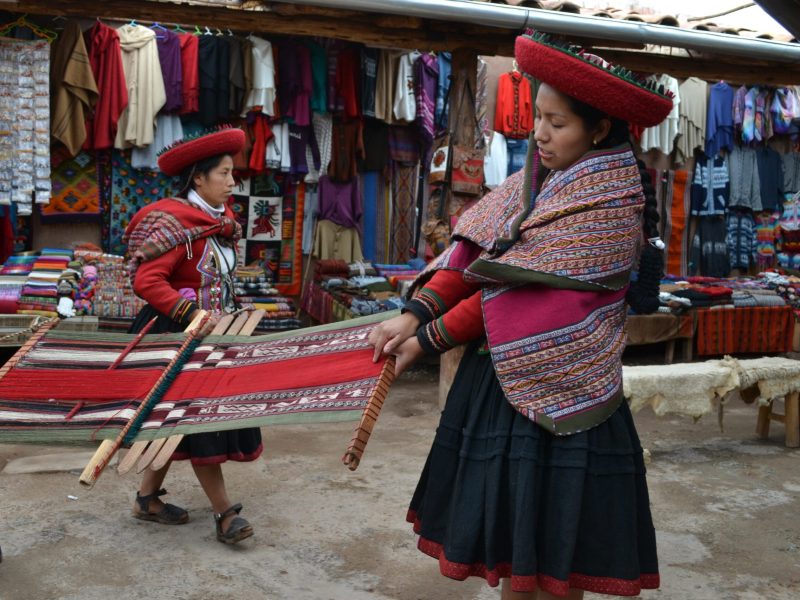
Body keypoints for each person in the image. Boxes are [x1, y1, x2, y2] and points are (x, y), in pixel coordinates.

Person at [368, 31, 674, 599]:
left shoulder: (611, 206)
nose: (539, 133)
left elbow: (521, 299)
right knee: (513, 554)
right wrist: (412, 315)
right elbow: (474, 254)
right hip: (500, 386)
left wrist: (430, 337)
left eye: (557, 123)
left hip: (572, 395)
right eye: (538, 116)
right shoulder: (531, 180)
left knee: (561, 560)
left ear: (599, 129)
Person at [122, 127, 260, 545]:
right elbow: (147, 280)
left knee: (173, 424)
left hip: (211, 335)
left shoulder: (219, 223)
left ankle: (147, 500)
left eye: (232, 173)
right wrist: (191, 314)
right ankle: (224, 514)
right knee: (200, 425)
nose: (232, 182)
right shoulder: (171, 222)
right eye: (224, 173)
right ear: (198, 178)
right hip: (176, 336)